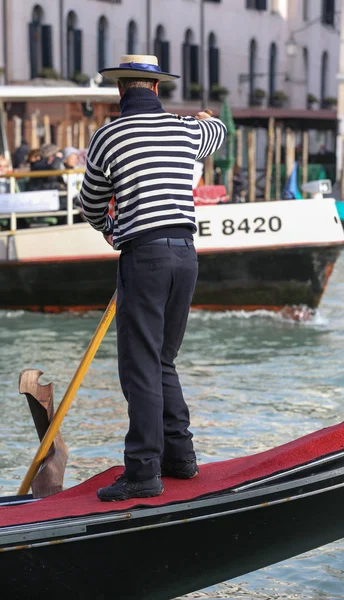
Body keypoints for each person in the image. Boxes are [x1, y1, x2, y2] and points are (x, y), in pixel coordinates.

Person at [80, 54, 227, 502]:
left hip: (143, 256)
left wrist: (108, 229)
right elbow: (216, 132)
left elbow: (90, 201)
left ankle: (144, 471)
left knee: (140, 366)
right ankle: (180, 458)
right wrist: (205, 117)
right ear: (157, 88)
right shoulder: (186, 130)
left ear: (121, 89)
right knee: (163, 358)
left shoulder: (108, 136)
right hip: (186, 255)